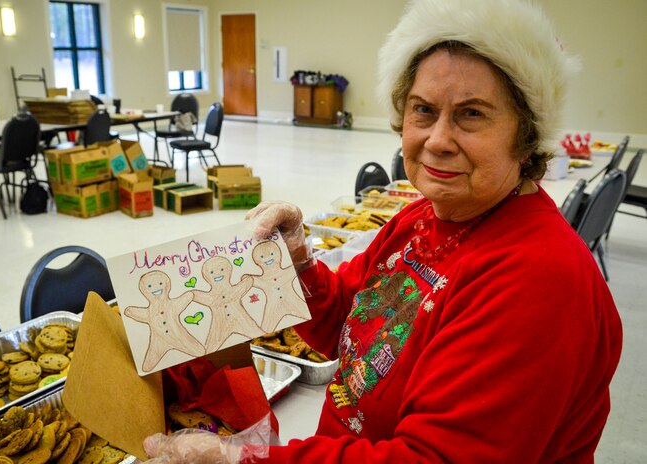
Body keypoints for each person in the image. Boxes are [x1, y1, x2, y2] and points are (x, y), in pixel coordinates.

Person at [143, 0, 622, 462]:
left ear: (526, 135)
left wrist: (243, 460)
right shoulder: (421, 219)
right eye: (423, 110)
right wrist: (298, 263)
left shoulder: (538, 278)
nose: (437, 140)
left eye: (471, 114)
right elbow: (348, 326)